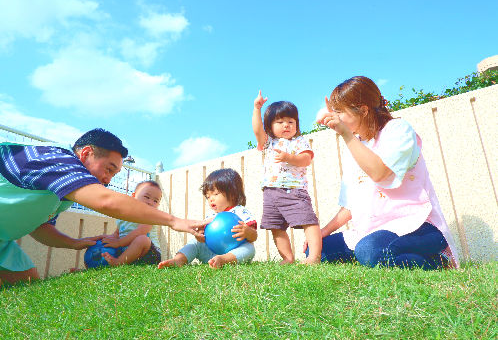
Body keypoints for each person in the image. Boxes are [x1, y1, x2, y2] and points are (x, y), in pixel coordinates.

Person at [0, 128, 206, 294]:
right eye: (109, 169)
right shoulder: (57, 159)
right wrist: (175, 221)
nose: (108, 180)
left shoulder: (62, 193)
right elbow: (107, 201)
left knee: (27, 283)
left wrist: (75, 243)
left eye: (114, 174)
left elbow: (40, 227)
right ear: (86, 153)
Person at [311, 76, 459, 269]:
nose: (336, 117)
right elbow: (350, 204)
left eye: (340, 111)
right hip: (373, 230)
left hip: (417, 226)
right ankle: (380, 260)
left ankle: (438, 261)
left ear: (363, 110)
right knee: (317, 251)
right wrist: (323, 232)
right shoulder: (356, 144)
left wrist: (346, 134)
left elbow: (380, 173)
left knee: (369, 250)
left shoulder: (398, 130)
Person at [252, 91, 322, 264]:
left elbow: (306, 159)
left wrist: (288, 157)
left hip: (294, 191)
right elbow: (257, 130)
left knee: (308, 221)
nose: (286, 125)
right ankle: (287, 258)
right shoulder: (269, 142)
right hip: (270, 192)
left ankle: (314, 256)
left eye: (291, 121)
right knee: (275, 226)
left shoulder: (299, 141)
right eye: (280, 121)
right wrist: (257, 108)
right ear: (270, 125)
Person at [158, 168, 257, 269]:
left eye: (215, 194)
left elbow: (254, 236)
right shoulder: (211, 216)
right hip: (211, 254)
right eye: (208, 196)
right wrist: (200, 236)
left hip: (235, 253)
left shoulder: (240, 212)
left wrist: (248, 232)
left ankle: (225, 260)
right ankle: (179, 260)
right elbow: (203, 236)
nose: (211, 199)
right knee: (194, 243)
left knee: (249, 248)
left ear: (232, 194)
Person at [100, 180, 163, 266]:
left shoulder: (150, 215)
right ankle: (98, 266)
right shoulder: (124, 216)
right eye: (147, 197)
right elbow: (116, 234)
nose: (150, 202)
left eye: (155, 201)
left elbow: (141, 231)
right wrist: (105, 238)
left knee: (142, 239)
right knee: (107, 245)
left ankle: (118, 262)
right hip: (126, 252)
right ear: (133, 196)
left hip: (149, 253)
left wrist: (118, 243)